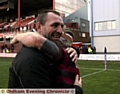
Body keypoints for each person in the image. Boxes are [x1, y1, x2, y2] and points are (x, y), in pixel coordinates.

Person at [8, 10, 83, 93]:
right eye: (54, 25)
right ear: (39, 27)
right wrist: (76, 91)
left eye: (61, 26)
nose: (60, 31)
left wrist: (75, 50)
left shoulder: (48, 51)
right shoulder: (31, 59)